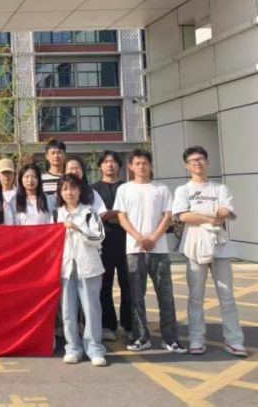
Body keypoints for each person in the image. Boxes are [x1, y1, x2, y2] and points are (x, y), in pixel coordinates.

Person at [173, 146, 247, 357]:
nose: (197, 163)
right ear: (187, 166)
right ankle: (196, 339)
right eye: (192, 160)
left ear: (207, 162)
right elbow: (183, 216)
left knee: (227, 295)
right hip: (194, 246)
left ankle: (234, 341)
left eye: (200, 159)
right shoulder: (183, 190)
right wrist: (211, 218)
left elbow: (226, 211)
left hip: (219, 245)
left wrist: (200, 214)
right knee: (196, 296)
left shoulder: (220, 188)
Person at [115, 149, 186, 354]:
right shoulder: (124, 189)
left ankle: (170, 339)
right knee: (136, 296)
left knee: (165, 295)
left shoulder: (161, 188)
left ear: (151, 165)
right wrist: (139, 238)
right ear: (130, 166)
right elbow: (122, 218)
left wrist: (153, 238)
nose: (141, 166)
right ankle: (141, 337)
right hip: (134, 250)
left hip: (159, 250)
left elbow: (167, 217)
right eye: (137, 163)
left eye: (145, 163)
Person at [54, 174, 107, 367]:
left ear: (80, 191)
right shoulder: (56, 214)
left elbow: (99, 237)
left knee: (91, 310)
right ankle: (73, 348)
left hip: (89, 267)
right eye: (65, 189)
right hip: (66, 269)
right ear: (60, 193)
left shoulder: (89, 212)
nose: (69, 192)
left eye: (73, 188)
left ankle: (95, 349)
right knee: (68, 312)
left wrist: (77, 228)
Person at [92, 150, 131, 342]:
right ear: (100, 166)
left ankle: (129, 325)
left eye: (114, 161)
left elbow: (132, 213)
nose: (110, 164)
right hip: (103, 244)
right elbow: (94, 216)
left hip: (127, 242)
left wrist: (109, 214)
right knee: (104, 286)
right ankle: (108, 325)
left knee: (128, 285)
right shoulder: (93, 190)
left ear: (119, 166)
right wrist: (119, 214)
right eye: (106, 161)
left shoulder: (128, 188)